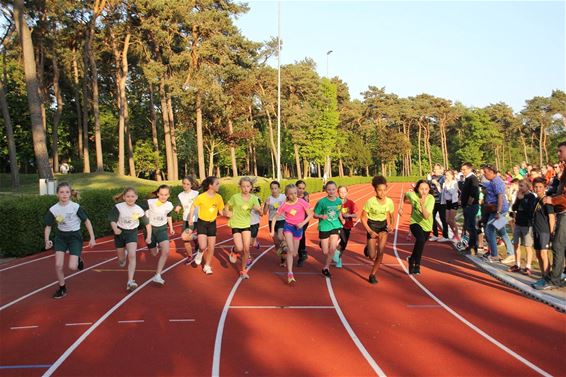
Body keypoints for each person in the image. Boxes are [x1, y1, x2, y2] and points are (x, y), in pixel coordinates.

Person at [44, 182, 96, 298]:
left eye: (67, 192)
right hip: (60, 237)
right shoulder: (53, 209)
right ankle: (62, 288)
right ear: (57, 194)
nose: (64, 194)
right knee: (58, 265)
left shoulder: (75, 207)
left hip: (74, 237)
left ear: (70, 194)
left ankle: (78, 258)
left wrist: (92, 237)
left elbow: (87, 221)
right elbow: (48, 226)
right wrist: (47, 240)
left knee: (72, 267)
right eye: (61, 192)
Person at [535, 141, 566, 290]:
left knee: (558, 246)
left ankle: (555, 280)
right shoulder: (564, 169)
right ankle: (560, 275)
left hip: (564, 212)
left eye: (560, 151)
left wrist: (552, 199)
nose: (558, 154)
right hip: (562, 210)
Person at [109, 187, 152, 292]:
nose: (130, 198)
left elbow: (147, 224)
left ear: (136, 197)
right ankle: (123, 257)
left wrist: (149, 237)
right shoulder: (118, 207)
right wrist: (115, 229)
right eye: (128, 196)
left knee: (132, 255)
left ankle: (130, 281)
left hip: (132, 233)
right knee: (122, 260)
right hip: (120, 233)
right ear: (124, 197)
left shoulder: (139, 209)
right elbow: (113, 221)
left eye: (132, 196)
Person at [272, 184, 313, 284]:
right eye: (291, 194)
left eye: (295, 193)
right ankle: (290, 273)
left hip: (298, 229)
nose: (294, 195)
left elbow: (310, 214)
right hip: (289, 227)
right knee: (291, 250)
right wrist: (272, 231)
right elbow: (275, 217)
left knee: (294, 253)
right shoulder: (284, 205)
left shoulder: (302, 202)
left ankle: (283, 248)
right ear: (286, 194)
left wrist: (302, 223)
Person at [225, 177, 261, 279]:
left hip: (246, 224)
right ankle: (234, 250)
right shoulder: (235, 197)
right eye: (243, 186)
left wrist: (257, 209)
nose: (245, 188)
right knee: (240, 248)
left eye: (248, 186)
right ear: (240, 187)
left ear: (251, 187)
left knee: (246, 249)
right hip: (236, 224)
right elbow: (226, 206)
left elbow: (261, 212)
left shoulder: (254, 198)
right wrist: (227, 212)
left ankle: (243, 270)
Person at [188, 176, 225, 275]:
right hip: (202, 223)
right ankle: (200, 253)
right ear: (210, 185)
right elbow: (193, 207)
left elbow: (221, 211)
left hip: (212, 224)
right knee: (203, 246)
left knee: (212, 247)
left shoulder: (219, 197)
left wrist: (230, 215)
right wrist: (191, 218)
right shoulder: (201, 197)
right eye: (217, 184)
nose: (219, 185)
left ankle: (207, 266)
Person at [361, 176, 394, 284]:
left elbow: (391, 216)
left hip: (383, 227)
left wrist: (391, 225)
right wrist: (370, 231)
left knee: (380, 252)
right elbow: (362, 218)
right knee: (372, 255)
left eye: (384, 190)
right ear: (375, 190)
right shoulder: (370, 202)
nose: (382, 192)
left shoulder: (389, 202)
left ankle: (372, 274)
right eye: (379, 190)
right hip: (372, 226)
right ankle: (368, 248)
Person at [399, 180, 435, 275]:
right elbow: (404, 195)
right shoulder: (412, 195)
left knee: (421, 243)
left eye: (426, 189)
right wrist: (401, 207)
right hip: (415, 222)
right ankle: (417, 265)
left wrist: (422, 204)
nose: (424, 191)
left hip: (427, 225)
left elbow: (426, 216)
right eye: (421, 189)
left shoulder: (431, 199)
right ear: (417, 189)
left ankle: (411, 259)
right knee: (421, 239)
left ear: (429, 189)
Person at [482, 165, 515, 263]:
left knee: (489, 230)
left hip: (499, 210)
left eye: (486, 172)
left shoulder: (497, 181)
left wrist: (498, 212)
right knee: (502, 232)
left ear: (492, 172)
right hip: (498, 210)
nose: (484, 174)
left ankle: (494, 255)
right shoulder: (493, 181)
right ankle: (511, 253)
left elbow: (500, 197)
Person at [144, 185, 176, 285]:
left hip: (162, 229)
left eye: (166, 195)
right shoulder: (150, 202)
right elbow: (139, 210)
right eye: (161, 194)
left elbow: (169, 215)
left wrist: (171, 228)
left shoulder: (169, 205)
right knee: (154, 253)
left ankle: (157, 275)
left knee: (166, 251)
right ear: (157, 194)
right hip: (150, 230)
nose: (163, 196)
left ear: (169, 195)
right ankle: (156, 246)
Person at [313, 181, 344, 278]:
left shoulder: (339, 201)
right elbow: (314, 215)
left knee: (332, 249)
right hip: (324, 227)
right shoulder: (322, 202)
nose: (331, 191)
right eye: (329, 189)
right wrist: (321, 216)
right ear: (326, 190)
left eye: (333, 189)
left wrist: (342, 218)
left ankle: (326, 268)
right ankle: (323, 244)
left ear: (336, 190)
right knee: (325, 252)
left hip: (335, 226)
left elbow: (338, 211)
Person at [508, 179, 536, 275]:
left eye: (522, 186)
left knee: (528, 246)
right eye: (519, 185)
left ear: (528, 187)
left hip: (527, 224)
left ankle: (528, 266)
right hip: (518, 223)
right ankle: (517, 264)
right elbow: (514, 208)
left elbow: (529, 211)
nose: (520, 188)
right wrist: (518, 199)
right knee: (516, 244)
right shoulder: (519, 196)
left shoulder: (531, 196)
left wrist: (522, 199)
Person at [175, 176, 200, 263]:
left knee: (184, 237)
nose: (185, 185)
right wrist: (177, 208)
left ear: (191, 185)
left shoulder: (196, 194)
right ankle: (190, 255)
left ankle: (196, 239)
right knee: (185, 239)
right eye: (184, 183)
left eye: (187, 184)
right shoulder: (180, 195)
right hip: (185, 218)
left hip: (194, 219)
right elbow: (178, 204)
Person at [265, 181, 287, 266]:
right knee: (276, 243)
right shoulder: (269, 198)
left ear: (279, 189)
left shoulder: (284, 197)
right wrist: (267, 204)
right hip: (272, 221)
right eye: (272, 188)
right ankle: (282, 258)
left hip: (282, 219)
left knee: (280, 236)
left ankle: (285, 246)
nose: (274, 190)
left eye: (275, 188)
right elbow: (264, 212)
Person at [460, 162, 480, 254]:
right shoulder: (467, 179)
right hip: (467, 206)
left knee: (471, 227)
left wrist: (468, 204)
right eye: (462, 169)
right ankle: (468, 245)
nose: (462, 171)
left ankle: (473, 247)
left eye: (464, 169)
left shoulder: (473, 179)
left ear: (469, 169)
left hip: (471, 207)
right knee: (467, 226)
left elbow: (474, 193)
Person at [335, 185, 357, 268]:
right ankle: (337, 257)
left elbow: (355, 215)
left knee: (344, 243)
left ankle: (338, 256)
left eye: (344, 192)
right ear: (338, 193)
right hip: (337, 225)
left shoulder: (351, 203)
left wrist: (349, 215)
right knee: (334, 240)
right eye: (341, 192)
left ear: (347, 192)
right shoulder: (336, 202)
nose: (342, 194)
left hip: (347, 226)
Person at [428, 164, 449, 242]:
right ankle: (435, 234)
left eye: (436, 169)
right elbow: (428, 185)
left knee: (443, 218)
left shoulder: (443, 178)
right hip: (433, 202)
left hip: (441, 202)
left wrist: (436, 183)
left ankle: (445, 236)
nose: (434, 171)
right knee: (432, 218)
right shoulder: (432, 178)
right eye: (434, 169)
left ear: (440, 170)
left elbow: (442, 187)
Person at [441, 170, 459, 241]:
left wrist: (447, 186)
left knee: (451, 220)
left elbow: (452, 192)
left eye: (448, 175)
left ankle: (457, 235)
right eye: (445, 175)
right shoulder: (445, 183)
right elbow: (443, 193)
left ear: (452, 175)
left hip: (453, 202)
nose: (446, 176)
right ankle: (455, 234)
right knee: (447, 220)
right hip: (447, 202)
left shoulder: (454, 183)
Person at [296, 180, 310, 266]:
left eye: (303, 188)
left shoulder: (305, 195)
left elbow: (306, 206)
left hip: (304, 219)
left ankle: (302, 254)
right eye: (299, 188)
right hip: (293, 219)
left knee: (300, 234)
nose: (301, 190)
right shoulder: (291, 194)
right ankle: (302, 251)